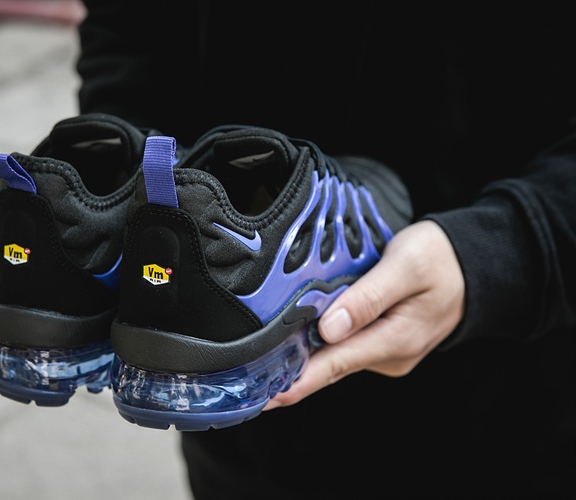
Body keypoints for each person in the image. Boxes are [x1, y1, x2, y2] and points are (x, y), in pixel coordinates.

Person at [74, 2, 576, 498]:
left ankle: (72, 280)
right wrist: (131, 161)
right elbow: (124, 25)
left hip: (499, 395)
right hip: (247, 412)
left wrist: (500, 251)